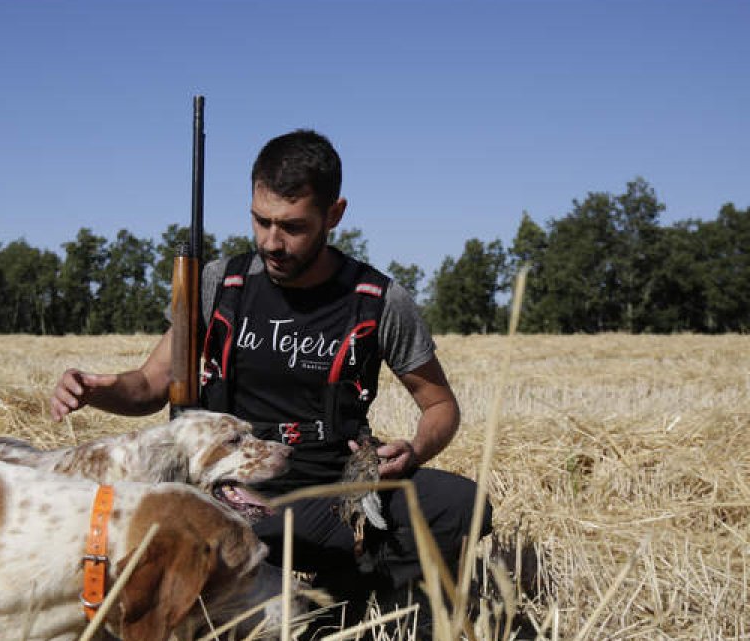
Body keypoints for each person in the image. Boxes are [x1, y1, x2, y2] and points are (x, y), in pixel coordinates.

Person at [50, 129, 491, 637]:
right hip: (229, 493)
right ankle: (309, 599)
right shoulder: (218, 283)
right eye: (261, 221)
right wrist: (98, 388)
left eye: (292, 226)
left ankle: (380, 606)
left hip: (333, 490)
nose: (271, 242)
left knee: (456, 504)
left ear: (335, 214)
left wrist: (414, 449)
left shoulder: (378, 300)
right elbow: (152, 383)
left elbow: (440, 406)